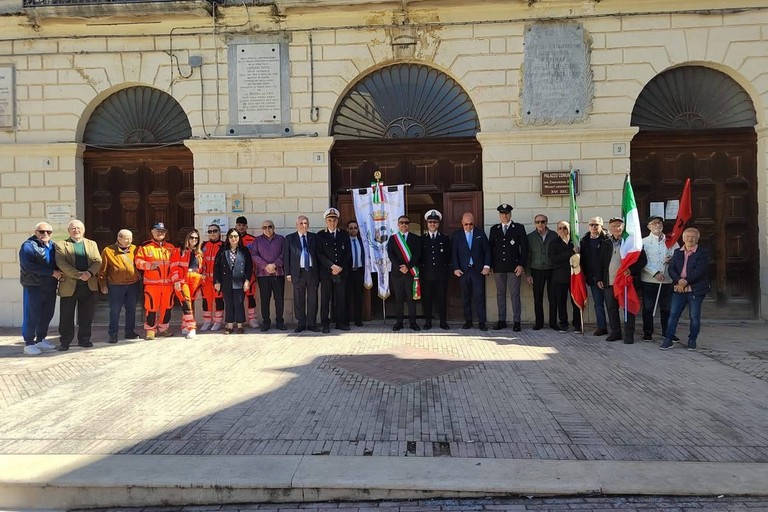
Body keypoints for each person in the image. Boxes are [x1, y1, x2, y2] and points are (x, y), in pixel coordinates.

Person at [598, 217, 647, 344]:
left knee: (628, 308)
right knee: (611, 308)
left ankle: (629, 334)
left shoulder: (631, 242)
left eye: (619, 225)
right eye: (613, 226)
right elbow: (601, 263)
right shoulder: (606, 243)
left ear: (624, 227)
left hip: (626, 281)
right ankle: (616, 333)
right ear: (609, 228)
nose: (616, 228)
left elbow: (643, 260)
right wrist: (599, 278)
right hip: (610, 281)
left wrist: (631, 269)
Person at [660, 228, 710, 351]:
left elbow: (700, 271)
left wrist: (685, 281)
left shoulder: (702, 253)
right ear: (683, 238)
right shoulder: (677, 252)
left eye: (693, 236)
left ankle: (692, 340)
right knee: (673, 315)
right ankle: (668, 339)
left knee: (694, 317)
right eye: (687, 236)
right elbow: (672, 269)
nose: (690, 238)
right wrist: (679, 281)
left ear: (697, 238)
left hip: (695, 290)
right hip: (679, 289)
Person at [55, 219, 102, 351]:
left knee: (86, 315)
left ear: (83, 230)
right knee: (66, 316)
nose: (76, 230)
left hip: (88, 285)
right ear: (69, 231)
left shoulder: (92, 244)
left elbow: (98, 261)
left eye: (79, 228)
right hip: (69, 286)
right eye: (73, 228)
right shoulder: (61, 245)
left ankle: (85, 339)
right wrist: (78, 274)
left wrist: (89, 273)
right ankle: (65, 341)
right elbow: (61, 263)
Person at [19, 222, 61, 356]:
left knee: (47, 314)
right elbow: (28, 266)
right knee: (31, 314)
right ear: (36, 232)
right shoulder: (28, 246)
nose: (45, 234)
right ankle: (29, 343)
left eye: (49, 232)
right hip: (34, 286)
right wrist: (51, 273)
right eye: (42, 231)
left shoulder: (53, 245)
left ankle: (40, 339)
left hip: (50, 286)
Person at [488, 203, 528, 331]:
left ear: (510, 214)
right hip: (499, 267)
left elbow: (525, 248)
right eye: (502, 213)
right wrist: (489, 265)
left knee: (515, 294)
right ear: (499, 215)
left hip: (514, 267)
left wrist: (521, 265)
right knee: (500, 294)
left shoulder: (519, 228)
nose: (504, 215)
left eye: (506, 213)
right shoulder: (494, 229)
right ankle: (502, 320)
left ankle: (517, 321)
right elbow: (490, 249)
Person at [97, 229, 141, 344]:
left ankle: (129, 331)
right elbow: (102, 270)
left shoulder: (135, 249)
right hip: (116, 286)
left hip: (132, 284)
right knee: (115, 311)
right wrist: (103, 285)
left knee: (131, 309)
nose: (129, 241)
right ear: (119, 238)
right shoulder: (108, 251)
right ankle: (113, 334)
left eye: (130, 238)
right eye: (126, 238)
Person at [134, 222, 176, 340]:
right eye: (157, 231)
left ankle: (164, 328)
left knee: (167, 307)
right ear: (152, 232)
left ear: (165, 233)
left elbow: (176, 264)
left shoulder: (171, 247)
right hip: (152, 284)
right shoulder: (145, 247)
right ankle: (150, 329)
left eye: (162, 231)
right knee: (151, 308)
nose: (160, 233)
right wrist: (149, 266)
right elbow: (138, 262)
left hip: (168, 284)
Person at [451, 212, 491, 331]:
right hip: (463, 271)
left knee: (479, 297)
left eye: (471, 224)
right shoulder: (457, 235)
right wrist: (455, 268)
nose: (468, 227)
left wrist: (487, 266)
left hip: (477, 271)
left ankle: (482, 322)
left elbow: (487, 251)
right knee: (465, 297)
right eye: (466, 224)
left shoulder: (480, 233)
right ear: (462, 223)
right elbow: (454, 253)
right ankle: (468, 321)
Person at [640, 216, 675, 342]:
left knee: (666, 308)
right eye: (654, 223)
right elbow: (642, 261)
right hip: (650, 280)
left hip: (667, 280)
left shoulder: (671, 241)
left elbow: (678, 256)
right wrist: (654, 273)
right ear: (649, 226)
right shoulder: (643, 242)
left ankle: (667, 331)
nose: (657, 225)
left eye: (659, 223)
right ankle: (648, 332)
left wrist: (671, 260)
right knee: (648, 307)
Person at [316, 207, 351, 333]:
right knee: (326, 299)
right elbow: (319, 254)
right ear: (326, 221)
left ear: (338, 220)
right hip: (327, 273)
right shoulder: (320, 235)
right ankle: (325, 323)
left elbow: (348, 253)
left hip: (341, 272)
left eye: (334, 220)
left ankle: (340, 322)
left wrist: (340, 267)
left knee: (341, 298)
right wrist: (332, 266)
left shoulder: (344, 234)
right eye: (330, 220)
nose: (332, 222)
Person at [283, 215, 320, 333]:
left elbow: (318, 256)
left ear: (308, 225)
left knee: (313, 299)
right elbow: (286, 258)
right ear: (296, 225)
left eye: (305, 223)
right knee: (299, 299)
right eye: (301, 223)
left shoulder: (314, 238)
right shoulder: (289, 238)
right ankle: (301, 323)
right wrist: (288, 273)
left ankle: (312, 323)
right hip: (297, 273)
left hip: (312, 272)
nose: (303, 225)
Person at [213, 228, 253, 334]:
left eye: (236, 236)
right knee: (229, 303)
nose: (233, 238)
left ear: (239, 238)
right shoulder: (223, 250)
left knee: (239, 303)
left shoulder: (244, 251)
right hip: (226, 282)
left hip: (240, 281)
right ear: (228, 238)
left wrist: (247, 280)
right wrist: (217, 281)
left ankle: (240, 325)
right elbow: (216, 267)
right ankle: (230, 325)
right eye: (231, 236)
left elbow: (249, 267)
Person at [387, 215, 422, 331]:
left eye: (406, 223)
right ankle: (399, 322)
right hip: (397, 274)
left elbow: (417, 255)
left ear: (409, 224)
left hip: (410, 273)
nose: (404, 225)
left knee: (411, 299)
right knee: (399, 299)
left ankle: (413, 322)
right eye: (401, 223)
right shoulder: (393, 238)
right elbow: (390, 254)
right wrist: (399, 267)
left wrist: (408, 266)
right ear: (398, 225)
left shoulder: (416, 238)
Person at [250, 219, 286, 331]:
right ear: (262, 229)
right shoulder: (257, 240)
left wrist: (274, 265)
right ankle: (266, 322)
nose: (267, 229)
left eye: (269, 226)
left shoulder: (281, 239)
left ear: (273, 227)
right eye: (264, 227)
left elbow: (284, 254)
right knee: (265, 299)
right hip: (263, 275)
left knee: (279, 299)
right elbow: (254, 255)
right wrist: (266, 265)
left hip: (278, 273)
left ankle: (280, 321)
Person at [526, 214, 558, 330]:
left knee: (553, 297)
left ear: (546, 222)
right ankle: (539, 322)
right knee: (537, 297)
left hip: (552, 270)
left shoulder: (554, 235)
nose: (540, 224)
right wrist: (528, 273)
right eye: (537, 222)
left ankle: (553, 322)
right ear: (535, 223)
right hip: (536, 270)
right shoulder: (530, 237)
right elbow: (528, 257)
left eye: (542, 221)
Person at [420, 209, 451, 330]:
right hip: (426, 275)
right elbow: (419, 257)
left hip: (441, 275)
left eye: (435, 222)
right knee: (427, 299)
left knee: (441, 299)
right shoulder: (422, 239)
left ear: (438, 224)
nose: (432, 224)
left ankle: (443, 321)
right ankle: (428, 321)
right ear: (427, 223)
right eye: (430, 222)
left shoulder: (445, 238)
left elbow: (448, 256)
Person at [548, 221, 581, 333]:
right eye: (560, 228)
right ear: (557, 230)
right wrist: (570, 252)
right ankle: (563, 324)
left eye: (565, 228)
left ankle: (577, 324)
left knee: (575, 301)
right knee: (561, 301)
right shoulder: (554, 243)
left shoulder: (575, 242)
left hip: (574, 276)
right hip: (560, 276)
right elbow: (554, 259)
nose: (563, 230)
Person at [579, 217, 609, 336]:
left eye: (596, 225)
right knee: (598, 304)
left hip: (606, 278)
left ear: (601, 226)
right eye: (591, 224)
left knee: (611, 305)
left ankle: (616, 329)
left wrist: (601, 277)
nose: (594, 227)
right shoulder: (584, 241)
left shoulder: (608, 240)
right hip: (592, 278)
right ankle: (602, 327)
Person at [171, 229, 204, 339]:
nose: (194, 240)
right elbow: (174, 267)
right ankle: (191, 327)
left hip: (195, 278)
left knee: (191, 302)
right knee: (186, 303)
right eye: (191, 237)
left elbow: (202, 267)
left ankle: (185, 326)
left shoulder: (199, 253)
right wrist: (176, 281)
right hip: (182, 280)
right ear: (187, 239)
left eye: (196, 238)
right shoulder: (179, 251)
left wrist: (201, 277)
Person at [235, 216, 259, 329]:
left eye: (243, 225)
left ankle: (252, 318)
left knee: (250, 297)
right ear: (236, 226)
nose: (241, 227)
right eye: (239, 225)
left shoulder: (252, 239)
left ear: (246, 227)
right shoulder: (232, 238)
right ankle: (237, 318)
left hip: (250, 274)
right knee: (237, 297)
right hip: (235, 274)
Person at [200, 224, 224, 331]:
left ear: (219, 232)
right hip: (205, 280)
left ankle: (218, 321)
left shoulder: (223, 245)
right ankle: (207, 321)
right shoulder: (203, 245)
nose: (212, 233)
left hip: (217, 280)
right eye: (210, 231)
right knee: (206, 300)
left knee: (218, 300)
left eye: (215, 231)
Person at [346, 219, 365, 327]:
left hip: (359, 272)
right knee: (347, 297)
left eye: (355, 228)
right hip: (348, 273)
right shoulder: (345, 240)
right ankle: (347, 320)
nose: (353, 230)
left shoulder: (362, 241)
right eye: (351, 228)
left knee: (359, 297)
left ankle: (358, 320)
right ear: (347, 229)